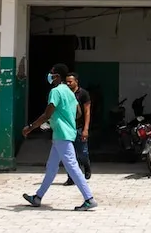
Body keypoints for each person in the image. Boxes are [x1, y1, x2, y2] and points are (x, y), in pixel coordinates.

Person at [21, 63, 97, 210]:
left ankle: (89, 198)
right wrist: (65, 118)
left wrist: (30, 128)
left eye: (52, 74)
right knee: (51, 167)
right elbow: (79, 113)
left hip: (62, 134)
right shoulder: (69, 92)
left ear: (56, 76)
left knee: (73, 166)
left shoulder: (55, 91)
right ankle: (37, 197)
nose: (50, 76)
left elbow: (47, 114)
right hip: (65, 133)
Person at [64, 72, 92, 184]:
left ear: (76, 82)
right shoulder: (65, 93)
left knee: (82, 153)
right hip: (67, 128)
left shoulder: (83, 94)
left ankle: (86, 165)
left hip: (79, 127)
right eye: (67, 82)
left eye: (70, 81)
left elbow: (87, 112)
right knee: (70, 155)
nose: (68, 83)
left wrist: (86, 129)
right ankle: (71, 177)